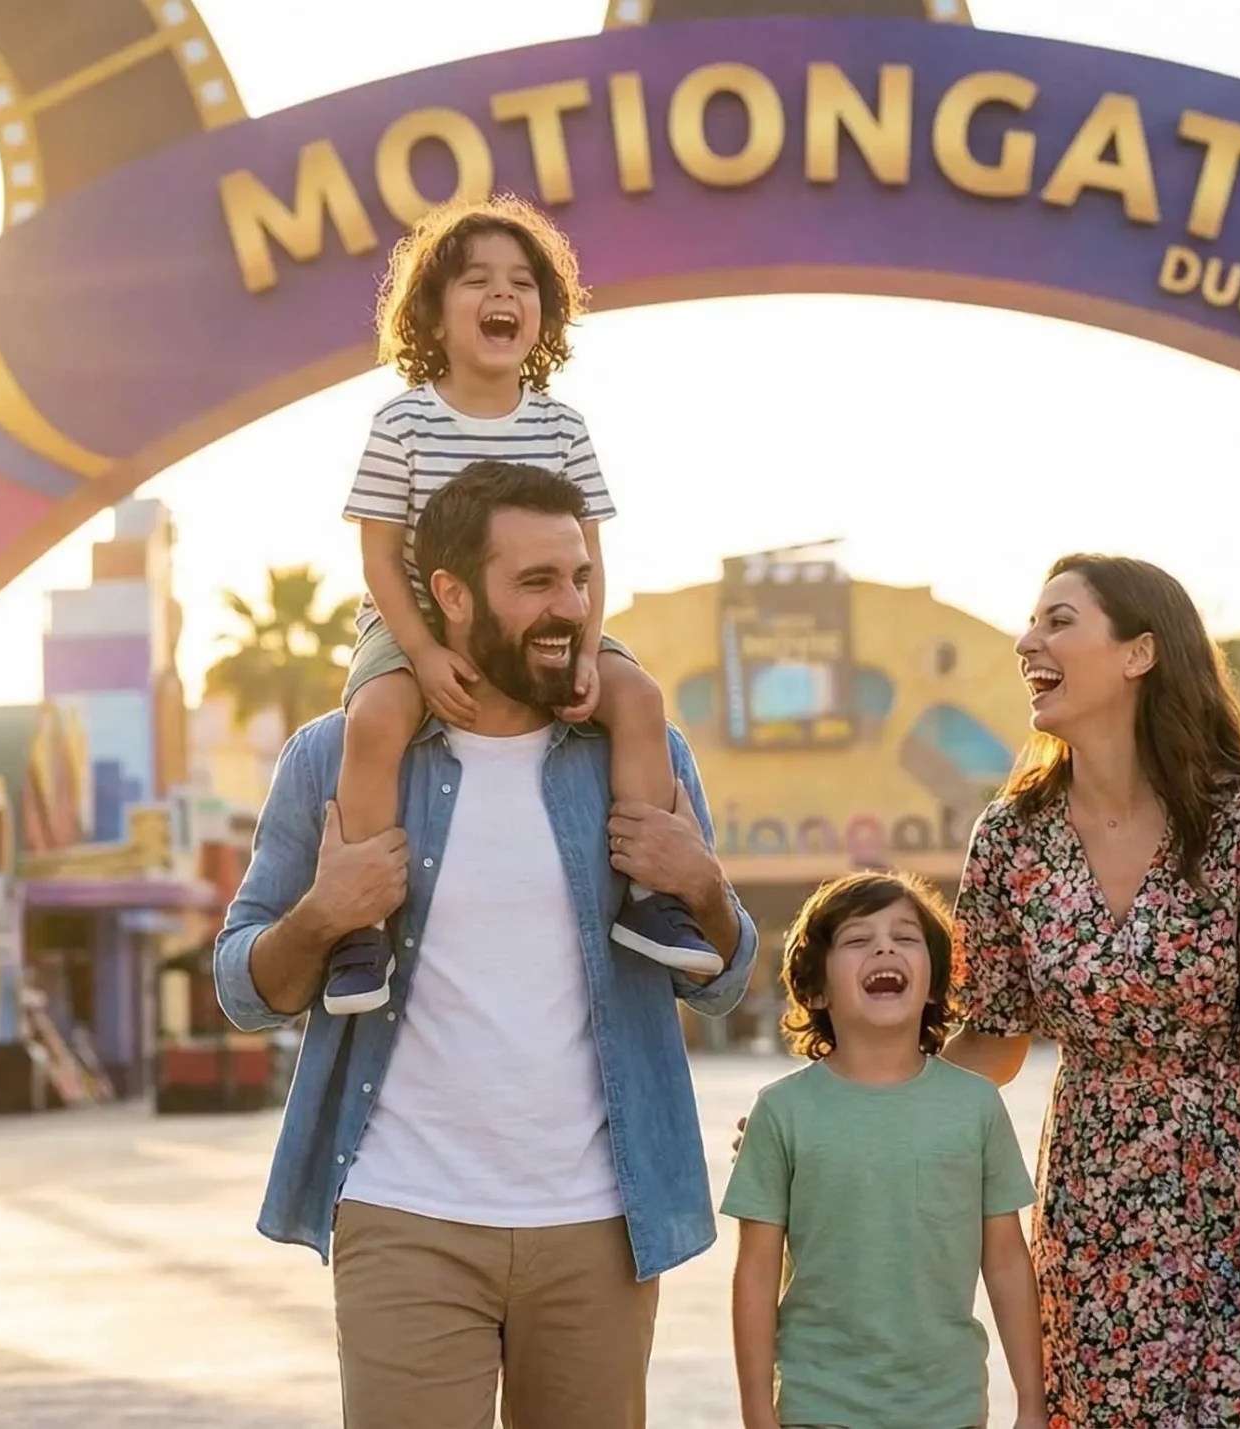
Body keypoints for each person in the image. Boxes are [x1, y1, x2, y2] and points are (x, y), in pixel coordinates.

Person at [212, 461, 758, 1428]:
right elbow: (243, 985)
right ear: (453, 595)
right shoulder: (335, 754)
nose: (571, 608)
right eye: (536, 582)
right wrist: (325, 914)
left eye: (580, 578)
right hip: (403, 1210)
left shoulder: (641, 752)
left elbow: (721, 983)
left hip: (602, 1220)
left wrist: (705, 889)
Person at [945, 554, 1240, 1426]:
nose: (1027, 641)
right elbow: (992, 1040)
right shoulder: (1010, 838)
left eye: (1059, 620)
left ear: (1140, 652)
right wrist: (846, 1099)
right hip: (1094, 1218)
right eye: (1032, 622)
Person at [323, 196, 718, 1017]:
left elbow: (589, 560)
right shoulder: (402, 423)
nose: (502, 293)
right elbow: (379, 556)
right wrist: (424, 653)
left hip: (550, 629)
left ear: (545, 313)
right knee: (374, 721)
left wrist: (587, 651)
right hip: (412, 624)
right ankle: (361, 928)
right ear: (433, 313)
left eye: (522, 282)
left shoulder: (562, 428)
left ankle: (653, 896)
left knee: (639, 699)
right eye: (477, 280)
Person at [723, 872, 1050, 1429]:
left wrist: (1032, 1404)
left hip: (948, 1410)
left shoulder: (976, 1107)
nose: (884, 948)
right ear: (816, 990)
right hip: (817, 1408)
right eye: (857, 939)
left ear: (934, 984)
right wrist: (757, 1413)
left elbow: (1006, 1262)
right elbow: (755, 1274)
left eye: (905, 937)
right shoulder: (780, 1112)